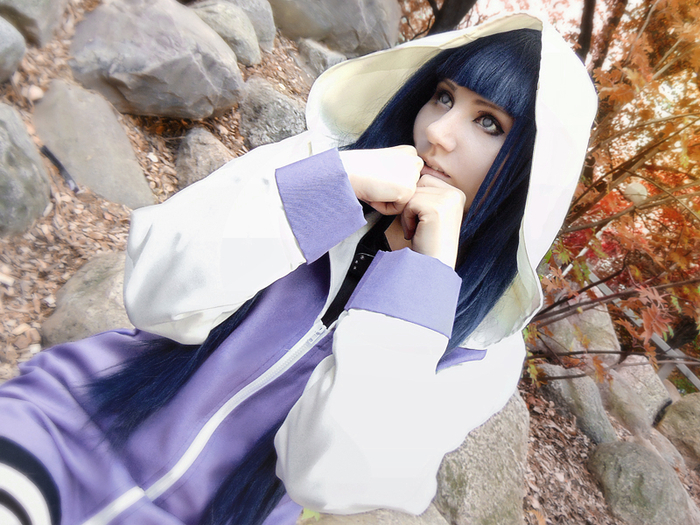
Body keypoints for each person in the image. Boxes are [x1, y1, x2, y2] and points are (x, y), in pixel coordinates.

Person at [0, 13, 596, 525]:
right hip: (72, 425)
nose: (438, 132)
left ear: (531, 175)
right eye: (443, 96)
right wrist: (326, 190)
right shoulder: (319, 165)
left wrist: (420, 282)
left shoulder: (486, 350)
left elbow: (331, 476)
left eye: (488, 122)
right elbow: (154, 288)